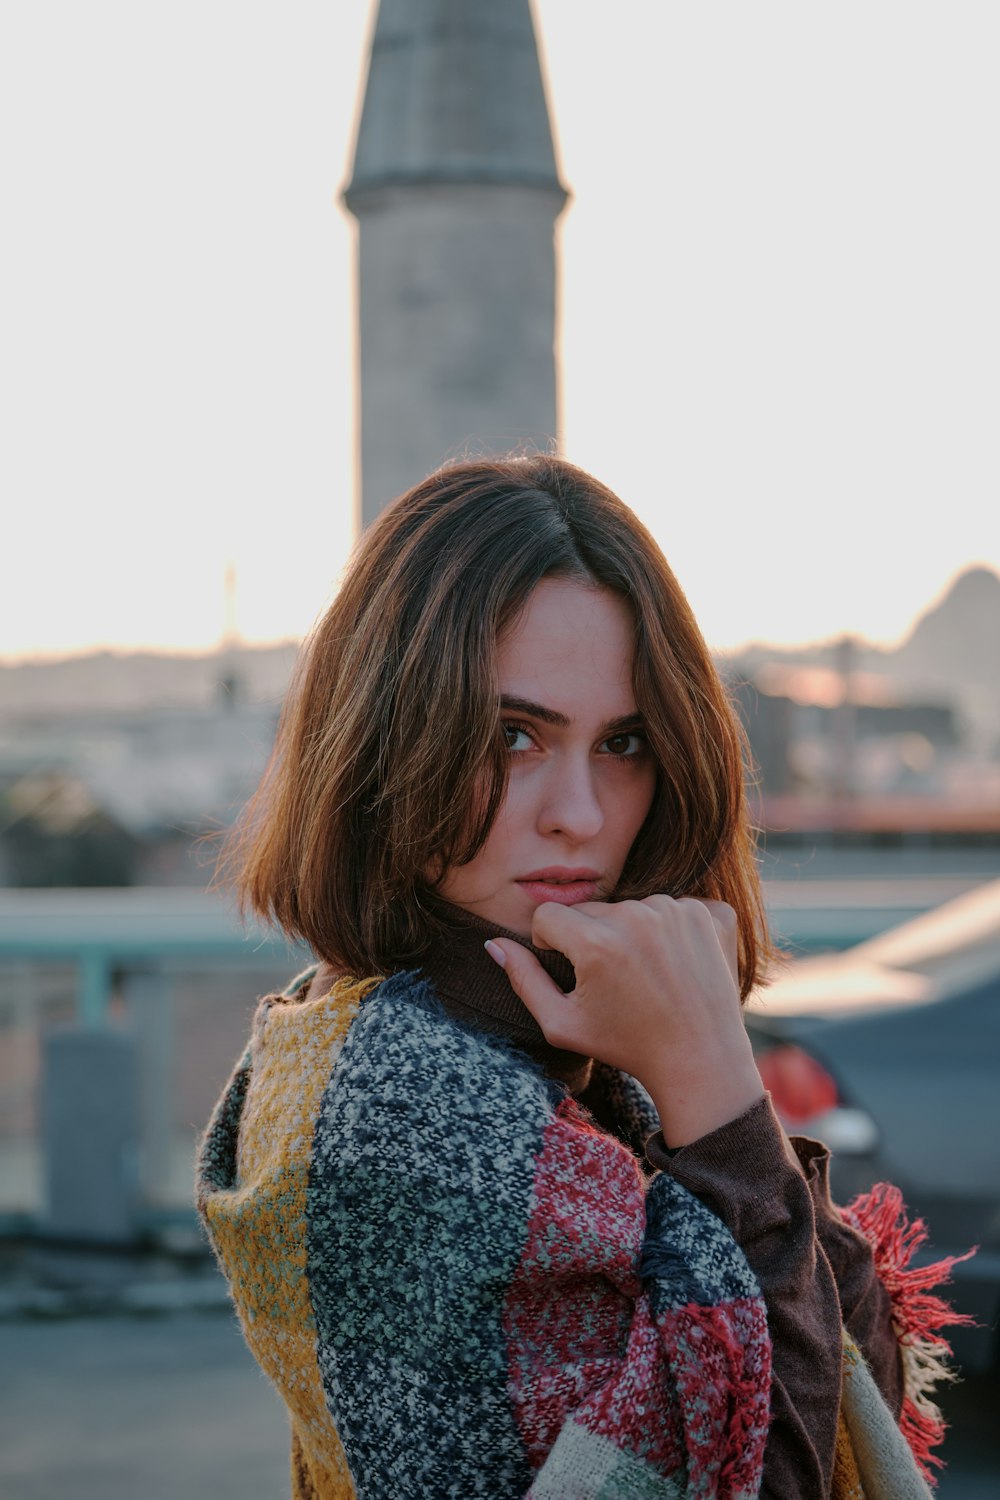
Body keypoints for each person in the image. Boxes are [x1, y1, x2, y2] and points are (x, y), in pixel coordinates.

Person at [198, 455, 966, 1499]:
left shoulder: (537, 1047)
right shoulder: (409, 1107)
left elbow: (823, 1366)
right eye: (512, 737)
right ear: (387, 738)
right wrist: (718, 1097)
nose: (584, 813)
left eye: (626, 742)